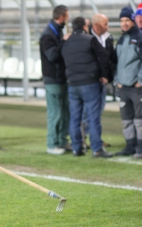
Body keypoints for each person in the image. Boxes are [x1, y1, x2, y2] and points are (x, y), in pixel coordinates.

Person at [61, 17, 113, 158]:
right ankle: (97, 149)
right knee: (93, 117)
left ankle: (76, 148)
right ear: (85, 26)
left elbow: (61, 58)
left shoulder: (66, 42)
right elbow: (103, 57)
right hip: (89, 83)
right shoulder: (90, 39)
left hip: (72, 84)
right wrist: (104, 75)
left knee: (75, 118)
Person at [39, 5, 71, 155]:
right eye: (67, 17)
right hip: (52, 79)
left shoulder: (57, 32)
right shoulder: (48, 35)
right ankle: (52, 144)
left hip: (62, 78)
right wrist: (63, 42)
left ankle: (62, 141)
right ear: (62, 17)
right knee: (55, 113)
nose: (68, 20)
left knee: (65, 112)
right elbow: (52, 56)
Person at [81, 14, 117, 149]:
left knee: (98, 111)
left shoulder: (108, 38)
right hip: (91, 81)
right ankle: (83, 139)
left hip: (103, 81)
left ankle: (95, 139)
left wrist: (108, 76)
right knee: (87, 112)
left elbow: (111, 59)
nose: (108, 27)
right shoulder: (87, 39)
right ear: (96, 25)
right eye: (105, 24)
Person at [114, 7, 142, 159]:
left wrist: (140, 81)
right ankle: (129, 146)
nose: (124, 24)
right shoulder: (121, 39)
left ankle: (140, 148)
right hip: (123, 87)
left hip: (136, 88)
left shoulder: (140, 37)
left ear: (133, 21)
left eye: (127, 20)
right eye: (121, 21)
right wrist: (117, 81)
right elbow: (117, 62)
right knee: (126, 119)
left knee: (139, 120)